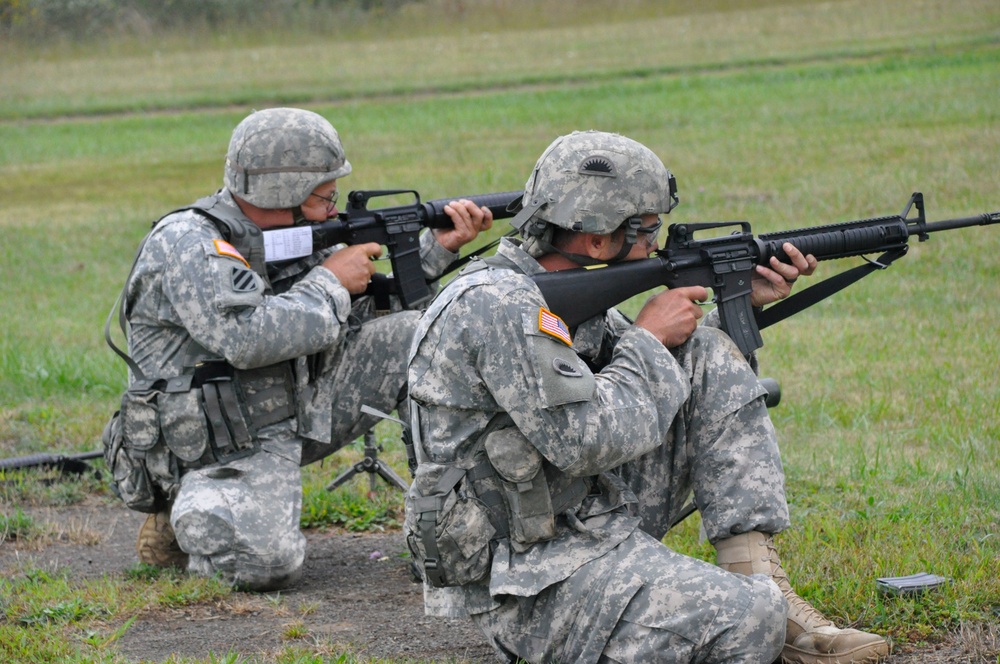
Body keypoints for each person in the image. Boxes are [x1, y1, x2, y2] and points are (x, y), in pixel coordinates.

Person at [403, 131, 889, 663]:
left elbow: (658, 384)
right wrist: (649, 338)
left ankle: (760, 578)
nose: (657, 247)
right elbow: (584, 442)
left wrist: (738, 307)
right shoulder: (498, 305)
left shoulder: (555, 291)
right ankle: (751, 612)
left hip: (574, 516)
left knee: (703, 348)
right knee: (751, 618)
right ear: (596, 239)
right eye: (649, 229)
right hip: (522, 574)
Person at [106, 107, 493, 591]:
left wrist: (438, 249)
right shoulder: (189, 244)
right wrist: (331, 281)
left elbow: (354, 314)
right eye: (323, 197)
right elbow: (246, 339)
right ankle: (188, 506)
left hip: (287, 411)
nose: (334, 208)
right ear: (280, 193)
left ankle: (445, 524)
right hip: (211, 442)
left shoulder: (284, 236)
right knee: (263, 566)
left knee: (422, 336)